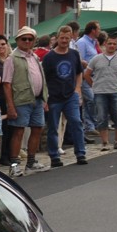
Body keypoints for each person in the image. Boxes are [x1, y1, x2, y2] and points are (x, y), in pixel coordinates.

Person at [1, 26, 48, 176]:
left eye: (30, 39)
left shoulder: (34, 57)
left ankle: (31, 162)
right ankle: (14, 165)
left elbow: (41, 78)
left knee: (37, 129)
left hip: (37, 99)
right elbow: (6, 83)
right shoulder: (12, 59)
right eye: (24, 39)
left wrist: (45, 98)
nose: (27, 41)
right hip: (21, 100)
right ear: (17, 40)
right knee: (18, 131)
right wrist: (10, 106)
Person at [42, 27, 87, 167]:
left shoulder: (74, 54)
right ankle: (54, 156)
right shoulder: (49, 57)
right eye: (62, 38)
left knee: (76, 122)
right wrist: (45, 98)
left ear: (71, 39)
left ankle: (80, 153)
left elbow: (79, 73)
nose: (64, 40)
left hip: (70, 95)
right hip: (54, 97)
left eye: (67, 38)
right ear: (57, 38)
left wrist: (78, 88)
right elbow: (44, 79)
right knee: (53, 127)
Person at [84, 35, 117, 152]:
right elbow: (87, 74)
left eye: (114, 44)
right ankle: (105, 142)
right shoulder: (96, 59)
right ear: (105, 44)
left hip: (116, 91)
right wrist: (93, 85)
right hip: (100, 93)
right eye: (110, 43)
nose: (112, 46)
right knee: (101, 118)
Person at [76, 21, 101, 136]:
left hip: (93, 76)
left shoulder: (92, 43)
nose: (99, 31)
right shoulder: (82, 42)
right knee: (91, 100)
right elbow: (78, 59)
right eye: (98, 29)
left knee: (89, 102)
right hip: (85, 77)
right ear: (93, 30)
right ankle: (90, 125)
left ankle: (90, 126)